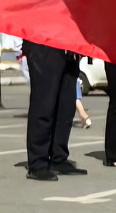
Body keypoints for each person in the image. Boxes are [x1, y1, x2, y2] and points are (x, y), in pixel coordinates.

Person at [22, 40, 86, 181]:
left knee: (66, 107)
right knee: (44, 103)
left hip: (68, 44)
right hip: (43, 42)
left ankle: (59, 157)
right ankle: (38, 163)